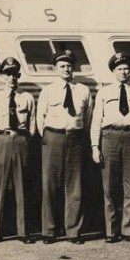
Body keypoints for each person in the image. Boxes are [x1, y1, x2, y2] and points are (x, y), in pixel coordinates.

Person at [90, 53, 130, 244]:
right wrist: (95, 146)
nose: (123, 72)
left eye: (126, 68)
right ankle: (111, 231)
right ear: (113, 71)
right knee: (109, 186)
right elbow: (95, 121)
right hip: (109, 137)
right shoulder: (104, 92)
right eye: (119, 69)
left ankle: (129, 230)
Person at [36, 49, 92, 245]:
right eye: (62, 66)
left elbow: (88, 117)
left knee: (74, 186)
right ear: (55, 68)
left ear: (72, 67)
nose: (66, 69)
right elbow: (39, 118)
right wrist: (50, 137)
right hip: (53, 137)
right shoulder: (48, 90)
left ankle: (73, 231)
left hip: (75, 139)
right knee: (49, 185)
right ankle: (49, 230)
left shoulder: (83, 90)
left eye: (69, 65)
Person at [0, 58, 36, 244]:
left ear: (19, 75)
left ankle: (23, 232)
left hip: (21, 140)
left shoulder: (27, 98)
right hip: (2, 140)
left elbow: (32, 125)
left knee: (21, 186)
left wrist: (22, 140)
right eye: (8, 74)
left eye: (15, 74)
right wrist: (0, 141)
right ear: (3, 76)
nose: (12, 78)